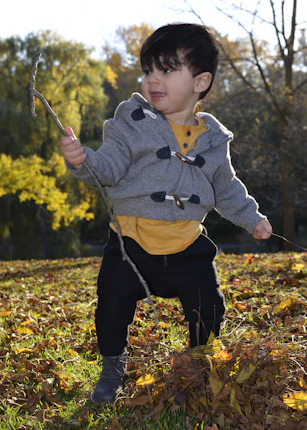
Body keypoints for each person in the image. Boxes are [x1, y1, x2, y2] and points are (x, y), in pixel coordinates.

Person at [59, 23, 272, 403]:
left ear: (200, 81)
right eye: (148, 71)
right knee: (111, 301)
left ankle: (198, 361)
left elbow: (226, 188)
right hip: (131, 242)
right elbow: (106, 168)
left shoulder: (212, 139)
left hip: (186, 241)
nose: (153, 79)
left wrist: (252, 218)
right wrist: (82, 160)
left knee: (208, 303)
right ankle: (112, 367)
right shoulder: (130, 122)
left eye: (168, 69)